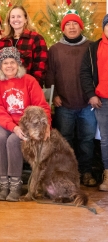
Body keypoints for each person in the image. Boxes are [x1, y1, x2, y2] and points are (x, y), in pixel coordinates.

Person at [0, 47, 51, 202]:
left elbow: (42, 107)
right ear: (0, 66)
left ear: (18, 64)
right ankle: (4, 184)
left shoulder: (29, 81)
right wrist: (13, 127)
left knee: (12, 141)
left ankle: (16, 184)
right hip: (7, 124)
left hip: (28, 125)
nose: (9, 66)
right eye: (5, 63)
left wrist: (46, 126)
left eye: (12, 62)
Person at [46, 10, 96, 187]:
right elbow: (50, 74)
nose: (72, 27)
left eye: (75, 23)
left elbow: (96, 73)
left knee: (87, 140)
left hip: (87, 105)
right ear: (63, 28)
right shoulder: (55, 49)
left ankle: (86, 172)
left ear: (81, 26)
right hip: (64, 104)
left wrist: (93, 95)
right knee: (65, 140)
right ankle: (66, 174)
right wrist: (55, 97)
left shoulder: (91, 47)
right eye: (68, 24)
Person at [80, 14, 108, 192]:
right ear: (104, 28)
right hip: (102, 100)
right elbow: (85, 73)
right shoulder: (94, 48)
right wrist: (91, 94)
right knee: (106, 139)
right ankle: (107, 173)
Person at [0, 5, 48, 87]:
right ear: (9, 21)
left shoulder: (36, 38)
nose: (15, 19)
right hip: (6, 86)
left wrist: (32, 85)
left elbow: (41, 66)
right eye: (12, 17)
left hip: (28, 86)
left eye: (19, 16)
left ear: (25, 19)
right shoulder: (3, 41)